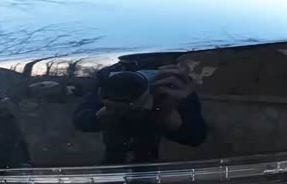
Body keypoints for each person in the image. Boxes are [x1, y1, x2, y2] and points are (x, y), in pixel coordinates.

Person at [73, 61, 207, 163]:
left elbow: (195, 137)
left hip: (153, 158)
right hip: (115, 154)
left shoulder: (173, 77)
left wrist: (165, 111)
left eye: (150, 76)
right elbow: (82, 121)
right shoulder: (106, 75)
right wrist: (111, 109)